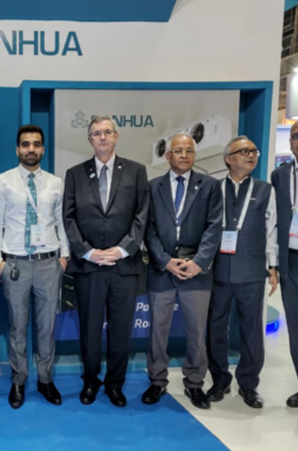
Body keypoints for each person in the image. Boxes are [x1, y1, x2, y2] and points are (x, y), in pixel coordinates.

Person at [63, 115, 149, 407]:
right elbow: (68, 218)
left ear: (116, 136)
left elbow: (141, 216)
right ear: (89, 139)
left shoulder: (136, 171)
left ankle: (115, 385)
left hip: (124, 266)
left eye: (107, 132)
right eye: (96, 133)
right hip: (89, 267)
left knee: (121, 330)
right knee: (89, 330)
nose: (102, 137)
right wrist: (88, 251)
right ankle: (90, 382)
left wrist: (123, 249)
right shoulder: (75, 174)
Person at [0, 124, 70, 409]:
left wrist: (64, 257)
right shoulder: (3, 181)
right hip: (15, 265)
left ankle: (45, 380)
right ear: (17, 149)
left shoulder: (56, 182)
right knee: (17, 328)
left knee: (47, 327)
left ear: (43, 149)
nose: (31, 149)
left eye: (36, 144)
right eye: (26, 144)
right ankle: (18, 380)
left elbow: (60, 221)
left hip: (49, 263)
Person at [143, 133, 222, 409]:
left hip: (196, 271)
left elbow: (214, 227)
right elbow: (148, 229)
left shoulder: (210, 186)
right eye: (178, 150)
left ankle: (195, 383)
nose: (184, 155)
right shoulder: (153, 187)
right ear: (168, 156)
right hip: (162, 269)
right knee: (158, 331)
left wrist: (199, 262)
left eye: (189, 150)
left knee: (196, 331)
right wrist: (165, 260)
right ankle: (157, 381)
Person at [206, 136, 278, 409]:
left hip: (251, 270)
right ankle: (219, 380)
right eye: (244, 151)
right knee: (216, 327)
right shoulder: (213, 188)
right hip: (218, 270)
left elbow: (271, 229)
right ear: (228, 158)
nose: (251, 155)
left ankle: (249, 384)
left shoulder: (265, 190)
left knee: (252, 329)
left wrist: (273, 266)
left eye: (253, 151)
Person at [271, 120, 298, 408]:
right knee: (296, 326)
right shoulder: (280, 175)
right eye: (296, 136)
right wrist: (274, 263)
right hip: (292, 260)